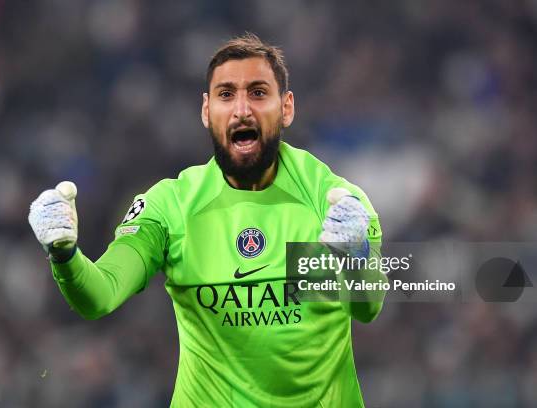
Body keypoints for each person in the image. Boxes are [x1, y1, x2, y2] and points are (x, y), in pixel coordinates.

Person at [28, 33, 385, 407]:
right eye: (226, 94)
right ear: (206, 110)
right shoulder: (171, 205)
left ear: (286, 108)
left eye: (259, 93)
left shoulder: (336, 203)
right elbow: (99, 295)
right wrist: (65, 255)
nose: (242, 110)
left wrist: (355, 256)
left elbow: (368, 307)